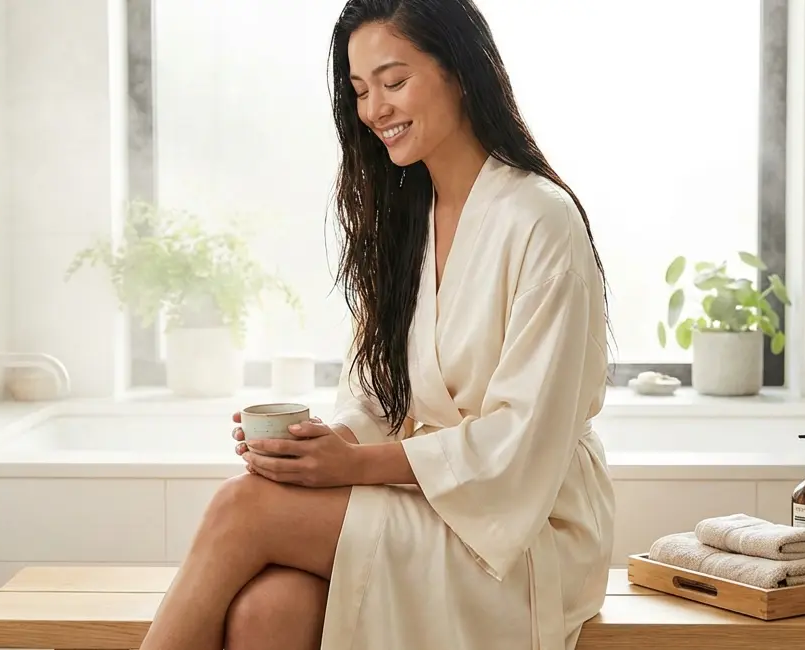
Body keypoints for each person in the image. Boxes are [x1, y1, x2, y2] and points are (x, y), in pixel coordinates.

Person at [138, 0, 614, 648]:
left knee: (238, 507)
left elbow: (520, 443)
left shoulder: (540, 220)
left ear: (460, 71)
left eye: (393, 82)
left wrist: (350, 468)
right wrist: (318, 448)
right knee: (268, 611)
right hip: (428, 500)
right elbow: (374, 390)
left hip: (527, 530)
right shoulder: (406, 218)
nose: (374, 110)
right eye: (360, 91)